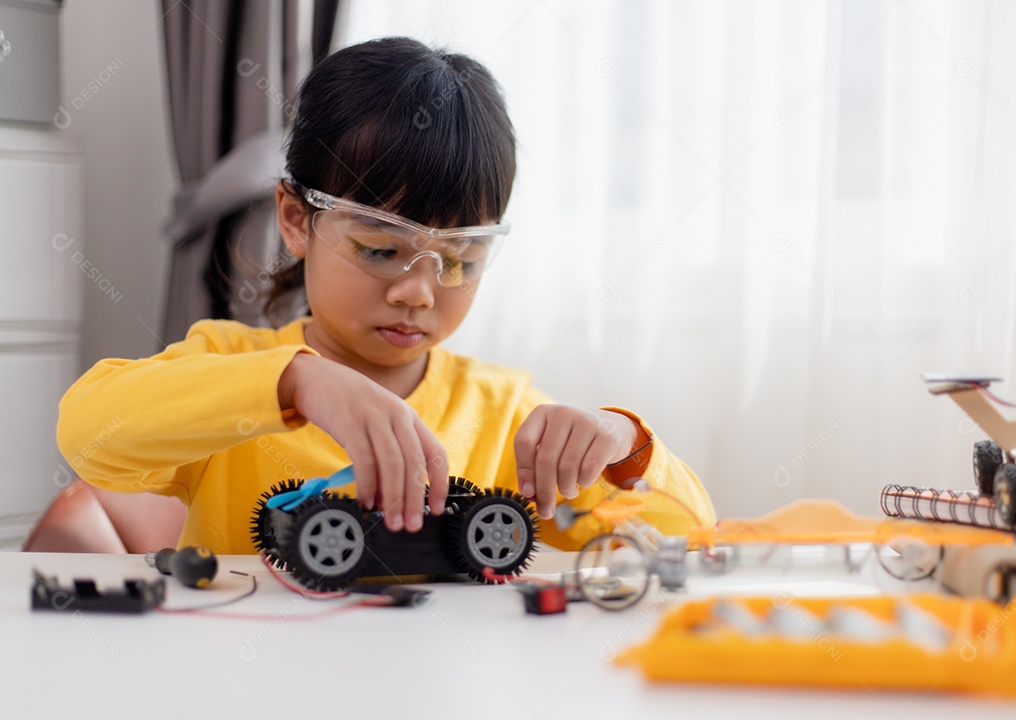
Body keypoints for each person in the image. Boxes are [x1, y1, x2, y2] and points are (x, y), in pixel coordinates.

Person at [57, 37, 716, 554]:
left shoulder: (505, 417)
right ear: (296, 220)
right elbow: (86, 432)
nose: (417, 292)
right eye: (379, 250)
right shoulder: (233, 366)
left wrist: (625, 442)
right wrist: (294, 383)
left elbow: (686, 538)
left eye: (459, 259)